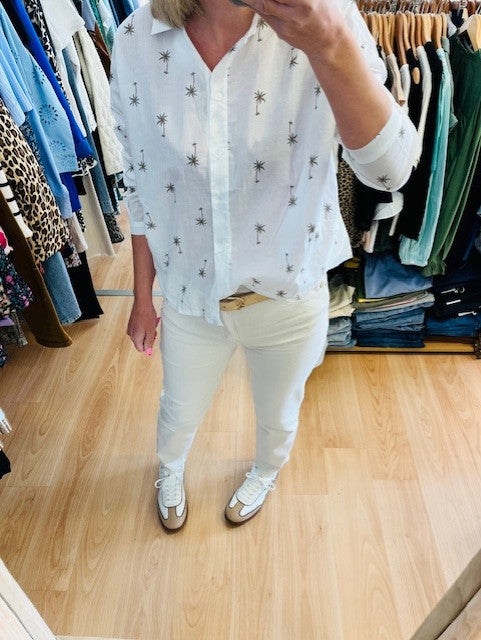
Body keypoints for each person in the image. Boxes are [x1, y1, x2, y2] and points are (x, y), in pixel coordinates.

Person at [110, 0, 418, 531]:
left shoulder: (327, 18)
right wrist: (142, 299)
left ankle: (265, 471)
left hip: (287, 296)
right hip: (191, 296)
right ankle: (170, 468)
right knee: (177, 409)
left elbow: (391, 172)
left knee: (279, 415)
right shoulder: (137, 39)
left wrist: (328, 43)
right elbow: (140, 188)